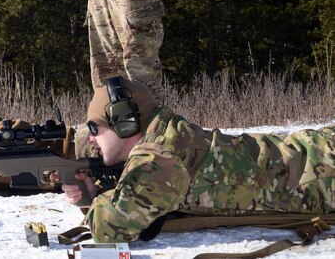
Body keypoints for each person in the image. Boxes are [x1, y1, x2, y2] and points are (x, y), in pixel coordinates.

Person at [60, 75, 335, 243]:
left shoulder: (159, 159)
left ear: (125, 122)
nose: (92, 138)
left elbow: (109, 229)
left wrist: (94, 200)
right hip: (315, 154)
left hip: (324, 173)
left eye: (94, 127)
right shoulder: (167, 135)